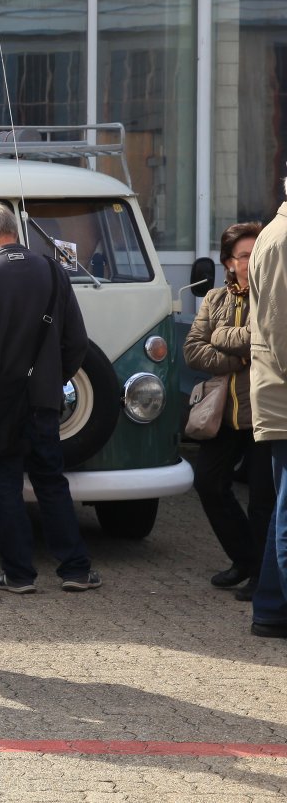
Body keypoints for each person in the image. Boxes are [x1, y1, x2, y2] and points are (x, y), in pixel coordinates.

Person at [0, 202, 99, 594]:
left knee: (5, 485)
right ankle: (75, 570)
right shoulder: (53, 271)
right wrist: (53, 379)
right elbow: (77, 342)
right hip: (43, 402)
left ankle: (18, 575)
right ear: (14, 230)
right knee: (51, 481)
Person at [184, 221, 270, 599]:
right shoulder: (214, 299)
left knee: (263, 501)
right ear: (229, 262)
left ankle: (263, 578)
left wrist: (220, 337)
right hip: (222, 414)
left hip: (264, 415)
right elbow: (192, 349)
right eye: (245, 255)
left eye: (257, 254)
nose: (252, 261)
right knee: (208, 483)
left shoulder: (273, 296)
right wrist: (236, 360)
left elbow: (264, 339)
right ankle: (245, 559)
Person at [247, 183, 287, 639]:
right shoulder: (281, 239)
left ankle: (272, 610)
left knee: (283, 510)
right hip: (282, 398)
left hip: (279, 396)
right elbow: (280, 330)